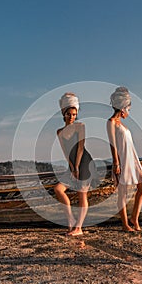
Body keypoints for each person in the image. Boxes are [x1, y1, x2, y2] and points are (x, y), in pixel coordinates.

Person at [54, 92, 96, 236]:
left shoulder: (80, 126)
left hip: (84, 163)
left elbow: (80, 148)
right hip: (72, 165)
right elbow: (66, 152)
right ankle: (71, 220)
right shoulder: (59, 132)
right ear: (63, 113)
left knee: (81, 194)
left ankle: (79, 228)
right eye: (69, 114)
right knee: (58, 189)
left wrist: (77, 167)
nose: (72, 117)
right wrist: (71, 167)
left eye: (74, 114)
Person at [107, 87, 142, 232]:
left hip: (132, 158)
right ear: (123, 108)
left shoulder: (123, 124)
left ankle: (134, 218)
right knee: (122, 192)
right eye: (128, 109)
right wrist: (116, 162)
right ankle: (125, 225)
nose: (129, 112)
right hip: (122, 159)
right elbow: (112, 143)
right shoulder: (111, 122)